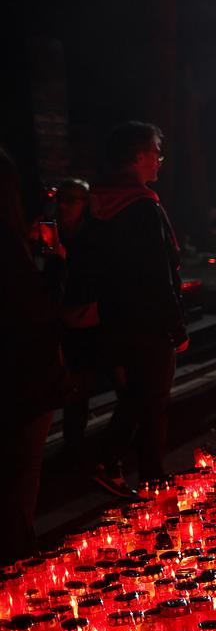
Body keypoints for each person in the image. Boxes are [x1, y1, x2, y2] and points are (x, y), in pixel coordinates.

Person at [89, 122, 187, 497]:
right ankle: (127, 466)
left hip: (116, 315)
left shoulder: (101, 202)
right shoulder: (142, 206)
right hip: (148, 320)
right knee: (152, 396)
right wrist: (176, 327)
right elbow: (157, 272)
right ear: (138, 155)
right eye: (155, 153)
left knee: (138, 393)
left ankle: (142, 469)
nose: (159, 161)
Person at [0, 148, 67, 562]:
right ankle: (17, 561)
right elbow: (36, 312)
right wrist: (57, 268)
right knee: (19, 475)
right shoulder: (7, 243)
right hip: (20, 380)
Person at [53, 178, 100, 462]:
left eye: (72, 200)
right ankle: (73, 443)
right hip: (58, 316)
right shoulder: (48, 233)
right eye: (61, 198)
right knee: (71, 382)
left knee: (85, 379)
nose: (63, 205)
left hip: (90, 315)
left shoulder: (92, 235)